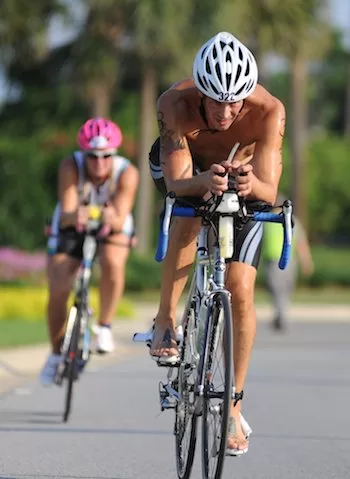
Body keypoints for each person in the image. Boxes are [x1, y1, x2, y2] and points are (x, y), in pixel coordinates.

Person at [148, 31, 286, 455]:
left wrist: (248, 183)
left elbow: (268, 189)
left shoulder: (268, 111)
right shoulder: (174, 104)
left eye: (235, 102)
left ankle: (232, 405)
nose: (225, 112)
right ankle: (166, 320)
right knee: (189, 211)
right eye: (215, 100)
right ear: (200, 92)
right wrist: (204, 181)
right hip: (186, 169)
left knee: (242, 289)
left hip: (240, 180)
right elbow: (175, 180)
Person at [40, 117, 139, 386]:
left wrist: (109, 217)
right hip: (72, 224)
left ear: (114, 154)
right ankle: (55, 353)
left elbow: (119, 218)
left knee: (112, 263)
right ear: (84, 154)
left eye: (106, 156)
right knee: (59, 288)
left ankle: (104, 327)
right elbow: (70, 211)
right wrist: (84, 214)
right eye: (92, 157)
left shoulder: (127, 173)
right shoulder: (70, 165)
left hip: (111, 226)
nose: (99, 163)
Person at [262, 193, 314, 331]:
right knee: (278, 289)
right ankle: (281, 315)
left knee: (282, 289)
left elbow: (301, 243)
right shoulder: (267, 222)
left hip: (284, 260)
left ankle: (281, 315)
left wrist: (306, 262)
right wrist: (306, 262)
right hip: (276, 260)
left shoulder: (283, 221)